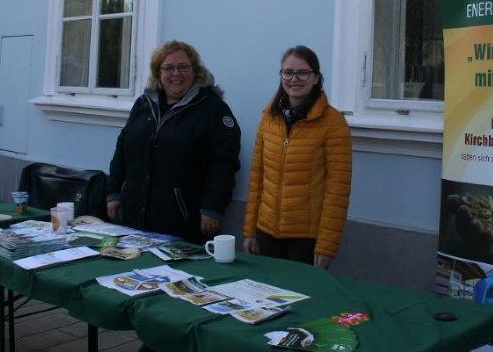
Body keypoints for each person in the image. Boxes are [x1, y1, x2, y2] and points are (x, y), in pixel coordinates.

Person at [106, 41, 241, 244]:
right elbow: (122, 150)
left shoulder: (214, 110)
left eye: (183, 67)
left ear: (195, 71)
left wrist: (213, 208)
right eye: (168, 68)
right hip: (134, 215)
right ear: (158, 73)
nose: (176, 74)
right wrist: (114, 192)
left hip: (184, 221)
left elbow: (224, 164)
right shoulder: (143, 105)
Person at [242, 45, 352, 268]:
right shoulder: (268, 119)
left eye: (303, 73)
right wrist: (250, 230)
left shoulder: (333, 123)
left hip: (307, 239)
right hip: (266, 233)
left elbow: (337, 190)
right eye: (288, 72)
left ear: (316, 78)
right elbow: (257, 179)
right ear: (281, 75)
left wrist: (326, 245)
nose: (295, 79)